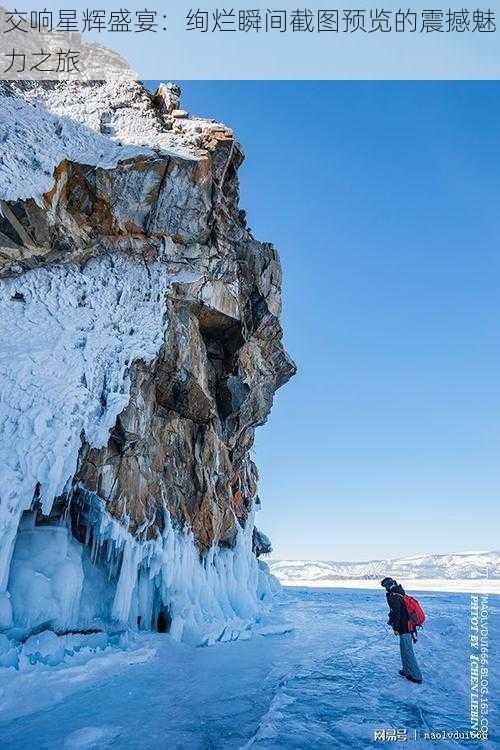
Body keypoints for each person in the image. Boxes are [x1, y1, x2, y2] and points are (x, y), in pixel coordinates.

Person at [381, 577, 422, 684]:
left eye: (385, 586)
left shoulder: (394, 596)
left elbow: (397, 614)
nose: (385, 589)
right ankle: (406, 670)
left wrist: (395, 628)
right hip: (406, 625)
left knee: (407, 650)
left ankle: (416, 676)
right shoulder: (399, 593)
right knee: (404, 649)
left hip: (405, 627)